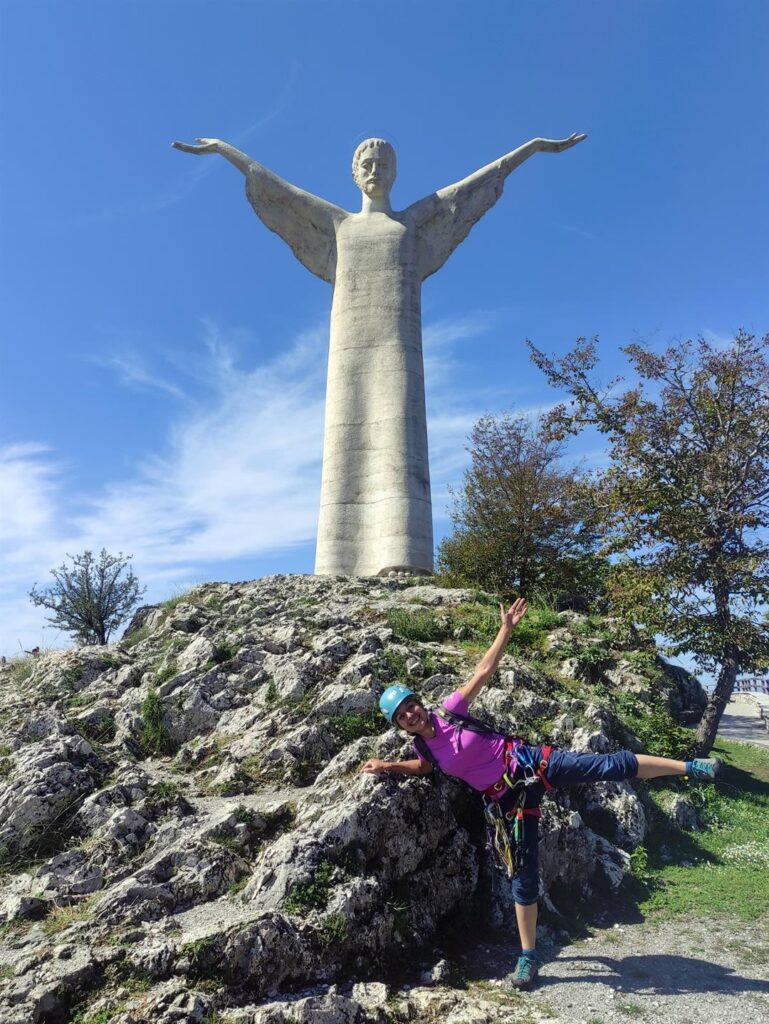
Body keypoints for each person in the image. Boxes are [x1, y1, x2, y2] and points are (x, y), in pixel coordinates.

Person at [361, 598, 721, 989]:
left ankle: (688, 768)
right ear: (401, 726)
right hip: (507, 802)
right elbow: (426, 769)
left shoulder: (450, 709)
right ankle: (528, 957)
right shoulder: (424, 748)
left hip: (529, 762)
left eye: (411, 705)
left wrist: (506, 629)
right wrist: (389, 766)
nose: (411, 713)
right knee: (523, 878)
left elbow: (483, 671)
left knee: (607, 765)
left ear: (419, 702)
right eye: (403, 715)